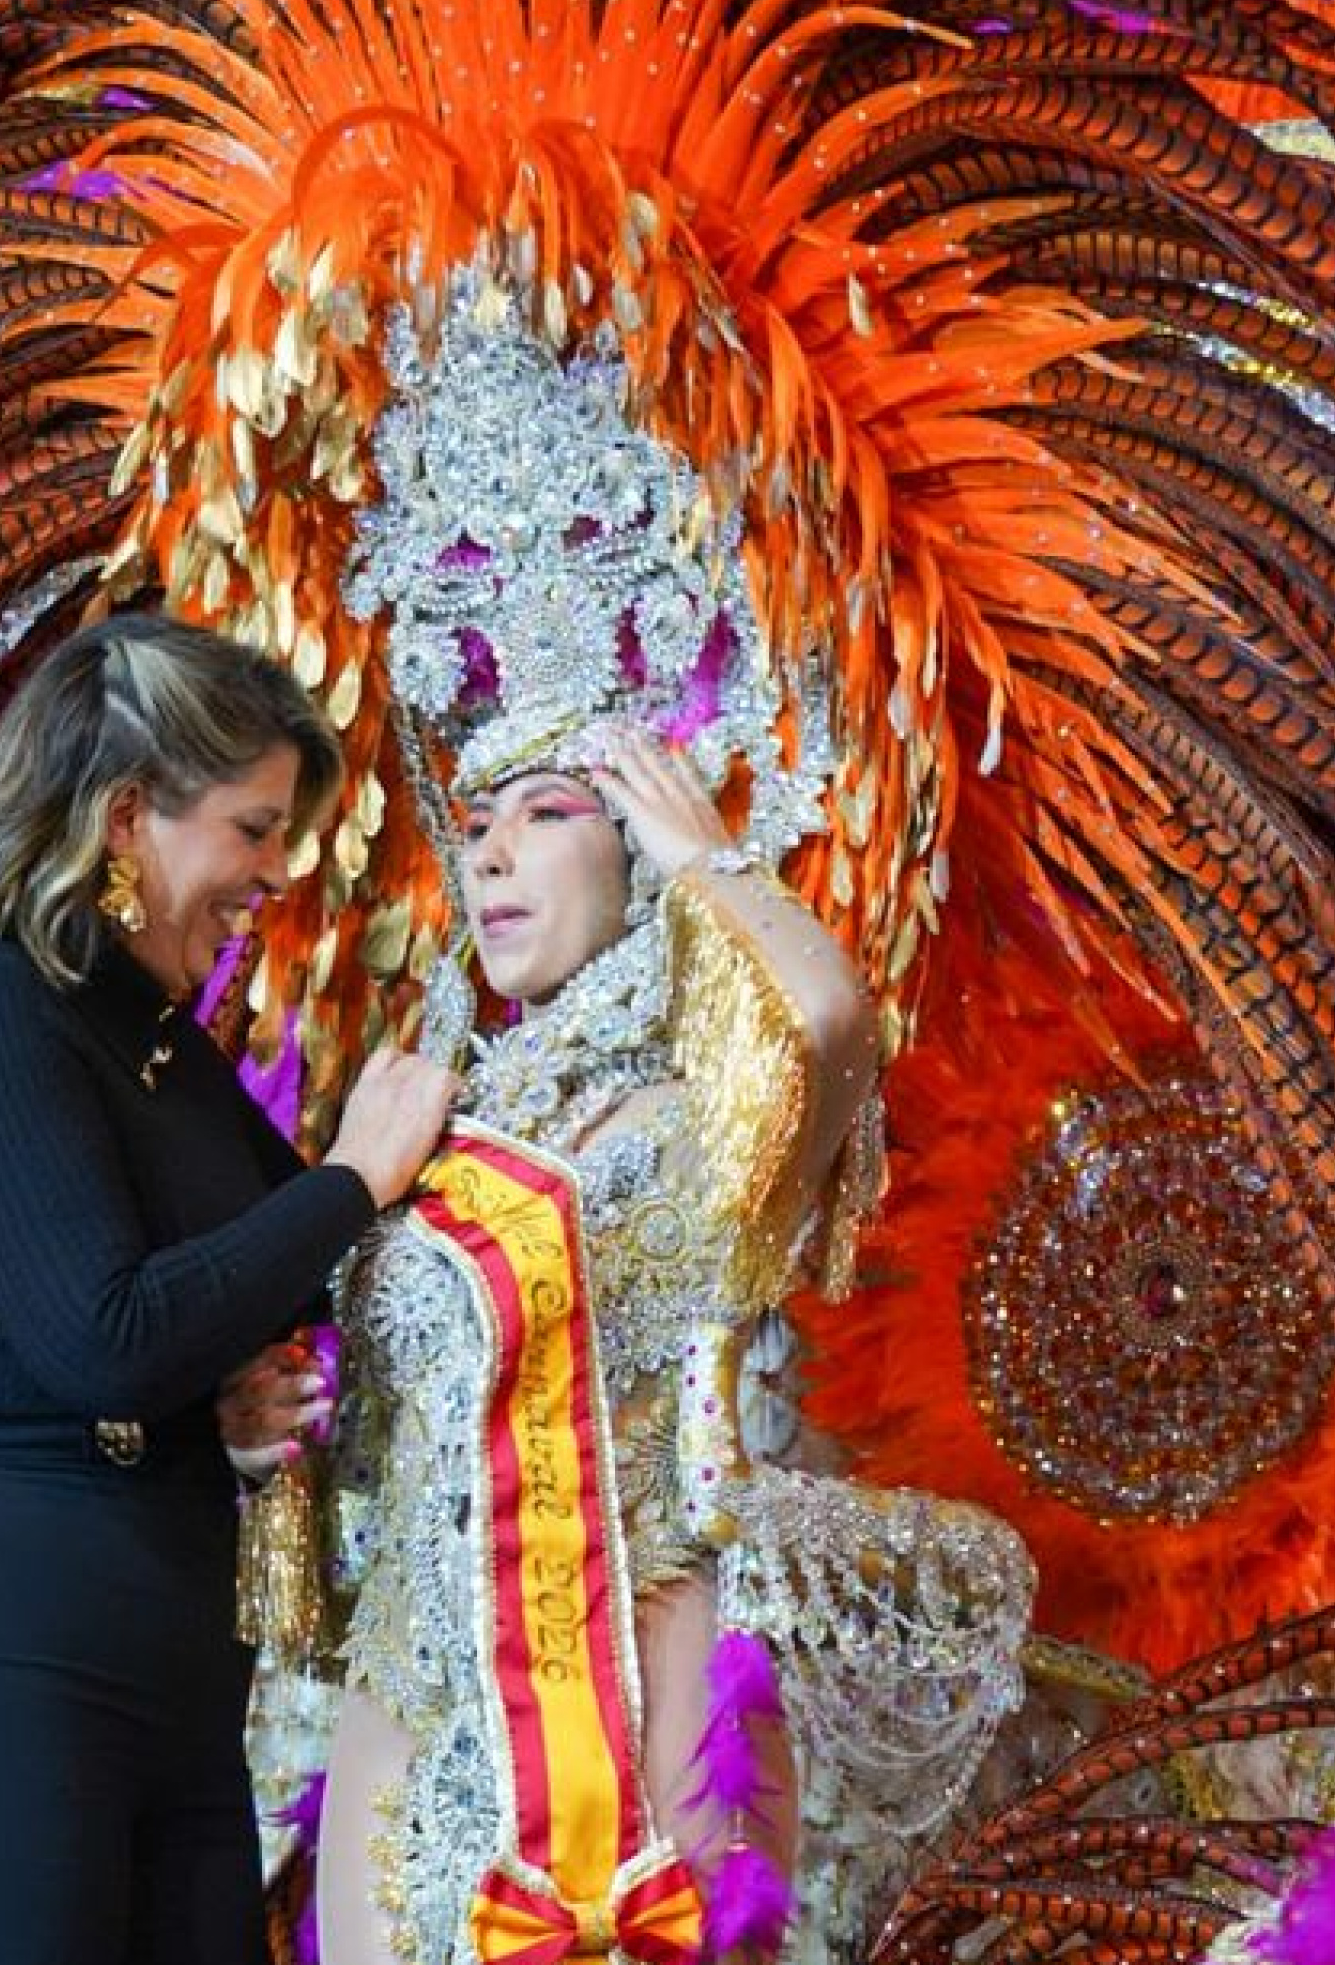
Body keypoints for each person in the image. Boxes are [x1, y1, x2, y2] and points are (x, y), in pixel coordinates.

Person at [0, 611, 457, 1965]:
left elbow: (268, 1293)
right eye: (254, 829)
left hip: (166, 1681)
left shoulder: (163, 1053)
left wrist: (244, 1381)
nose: (278, 871)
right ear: (130, 814)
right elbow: (106, 1336)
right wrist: (350, 1180)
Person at [314, 723, 927, 1965]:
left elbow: (825, 1025)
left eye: (547, 813)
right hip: (418, 1684)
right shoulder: (424, 1119)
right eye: (477, 825)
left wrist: (711, 860)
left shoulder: (704, 1115)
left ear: (637, 847)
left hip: (639, 1668)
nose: (489, 855)